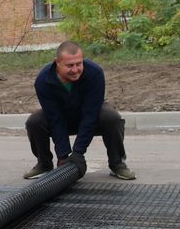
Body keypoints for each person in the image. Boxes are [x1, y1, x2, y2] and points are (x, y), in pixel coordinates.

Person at [23, 41, 136, 181]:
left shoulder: (95, 73)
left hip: (88, 115)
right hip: (62, 117)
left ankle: (117, 164)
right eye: (70, 65)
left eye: (79, 64)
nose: (75, 69)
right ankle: (44, 164)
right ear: (57, 62)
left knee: (112, 118)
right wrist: (63, 156)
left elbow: (91, 114)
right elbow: (54, 118)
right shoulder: (43, 80)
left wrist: (78, 153)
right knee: (34, 122)